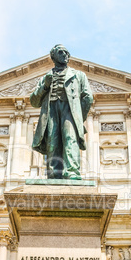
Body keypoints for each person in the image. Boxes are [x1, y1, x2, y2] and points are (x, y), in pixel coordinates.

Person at [30, 45, 93, 179]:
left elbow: (88, 97)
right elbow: (34, 101)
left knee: (70, 139)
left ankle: (72, 172)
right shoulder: (45, 77)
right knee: (52, 142)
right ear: (53, 57)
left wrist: (78, 116)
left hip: (69, 110)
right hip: (51, 110)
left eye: (67, 52)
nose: (65, 55)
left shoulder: (79, 75)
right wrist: (45, 86)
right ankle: (54, 174)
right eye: (61, 52)